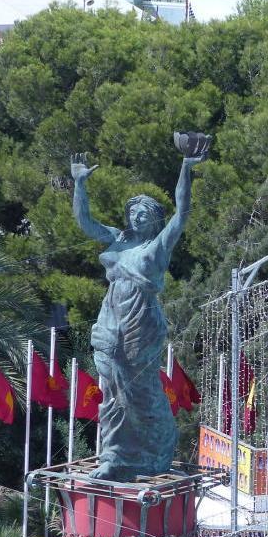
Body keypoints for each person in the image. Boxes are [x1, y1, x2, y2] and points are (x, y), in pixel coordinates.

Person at [70, 134, 207, 481]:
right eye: (132, 212)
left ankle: (157, 448)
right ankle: (114, 455)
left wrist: (185, 170)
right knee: (113, 387)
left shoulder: (157, 247)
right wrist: (80, 184)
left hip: (141, 321)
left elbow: (183, 213)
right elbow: (85, 222)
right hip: (111, 316)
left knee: (140, 387)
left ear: (154, 220)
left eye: (143, 213)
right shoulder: (117, 238)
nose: (135, 217)